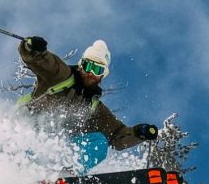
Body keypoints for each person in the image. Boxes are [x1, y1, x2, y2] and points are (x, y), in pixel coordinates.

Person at [17, 36, 158, 173]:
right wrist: (33, 49)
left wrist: (138, 133)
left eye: (97, 70)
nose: (90, 73)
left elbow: (116, 136)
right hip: (29, 137)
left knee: (100, 141)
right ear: (80, 65)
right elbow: (44, 62)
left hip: (56, 151)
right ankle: (22, 163)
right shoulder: (60, 76)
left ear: (103, 75)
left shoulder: (94, 107)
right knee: (37, 129)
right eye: (87, 66)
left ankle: (69, 172)